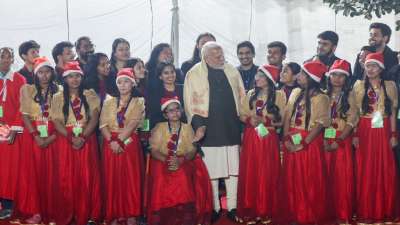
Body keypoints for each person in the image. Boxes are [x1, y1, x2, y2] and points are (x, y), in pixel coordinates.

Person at [184, 41, 245, 222]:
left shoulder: (232, 70)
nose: (221, 57)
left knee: (234, 169)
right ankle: (214, 207)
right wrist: (198, 125)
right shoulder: (194, 73)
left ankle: (233, 206)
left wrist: (244, 123)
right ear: (206, 57)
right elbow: (189, 103)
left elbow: (242, 97)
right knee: (211, 171)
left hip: (231, 127)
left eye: (222, 54)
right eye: (217, 55)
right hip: (208, 130)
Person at [50, 61, 101, 225]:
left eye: (77, 76)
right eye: (70, 76)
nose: (74, 79)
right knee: (66, 177)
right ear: (65, 79)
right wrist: (71, 138)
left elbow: (94, 118)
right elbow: (57, 121)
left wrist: (83, 137)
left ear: (82, 77)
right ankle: (68, 212)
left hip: (87, 139)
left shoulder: (90, 94)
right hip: (66, 140)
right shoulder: (58, 97)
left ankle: (86, 213)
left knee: (87, 176)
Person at [147, 96, 212, 225]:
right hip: (163, 159)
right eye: (170, 111)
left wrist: (181, 160)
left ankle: (184, 213)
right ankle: (164, 213)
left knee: (182, 175)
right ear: (165, 115)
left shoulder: (187, 128)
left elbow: (192, 150)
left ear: (181, 111)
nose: (175, 112)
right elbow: (154, 150)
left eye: (177, 109)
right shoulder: (159, 127)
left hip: (184, 160)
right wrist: (168, 160)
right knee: (161, 175)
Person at [281, 61, 331, 224]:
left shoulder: (322, 97)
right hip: (292, 137)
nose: (298, 76)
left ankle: (308, 213)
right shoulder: (296, 92)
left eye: (302, 74)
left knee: (308, 179)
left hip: (309, 142)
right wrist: (286, 138)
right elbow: (288, 116)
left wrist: (303, 143)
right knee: (292, 178)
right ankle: (295, 212)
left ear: (311, 78)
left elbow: (319, 124)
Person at [352, 52, 399, 224]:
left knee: (385, 168)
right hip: (365, 129)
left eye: (374, 66)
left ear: (381, 68)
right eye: (368, 65)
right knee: (365, 169)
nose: (370, 69)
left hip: (384, 128)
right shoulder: (358, 85)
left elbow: (393, 112)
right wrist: (355, 134)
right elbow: (355, 113)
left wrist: (394, 134)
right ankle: (367, 210)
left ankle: (385, 209)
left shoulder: (390, 85)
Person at [237, 65, 286, 224]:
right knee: (251, 171)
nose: (256, 79)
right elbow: (242, 113)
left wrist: (264, 120)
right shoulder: (250, 93)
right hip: (252, 137)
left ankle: (265, 209)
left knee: (266, 171)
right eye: (257, 76)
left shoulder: (279, 95)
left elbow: (280, 121)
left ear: (270, 80)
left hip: (268, 137)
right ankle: (251, 208)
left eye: (261, 77)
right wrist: (249, 119)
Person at [15, 57, 60, 224]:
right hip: (33, 137)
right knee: (34, 174)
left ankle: (53, 211)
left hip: (54, 136)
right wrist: (36, 135)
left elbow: (64, 118)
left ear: (52, 73)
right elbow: (25, 115)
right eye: (40, 72)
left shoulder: (61, 91)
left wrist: (51, 137)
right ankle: (36, 211)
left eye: (47, 71)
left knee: (53, 175)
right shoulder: (28, 90)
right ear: (35, 74)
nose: (44, 75)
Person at [100, 68, 145, 225]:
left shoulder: (138, 102)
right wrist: (111, 142)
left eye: (126, 81)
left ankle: (131, 213)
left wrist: (118, 141)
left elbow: (133, 123)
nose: (123, 85)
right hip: (110, 143)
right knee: (112, 178)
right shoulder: (109, 101)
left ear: (132, 84)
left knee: (130, 178)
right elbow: (103, 124)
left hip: (128, 142)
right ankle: (114, 212)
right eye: (120, 82)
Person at [323, 59, 357, 224]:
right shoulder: (323, 94)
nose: (337, 79)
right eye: (334, 75)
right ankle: (326, 212)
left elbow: (352, 120)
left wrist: (340, 139)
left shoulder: (350, 95)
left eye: (341, 76)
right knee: (325, 175)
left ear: (346, 78)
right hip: (324, 138)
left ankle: (343, 214)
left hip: (342, 137)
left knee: (342, 177)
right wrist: (323, 138)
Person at [0, 47, 26, 220]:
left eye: (9, 57)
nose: (5, 59)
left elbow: (23, 106)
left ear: (13, 60)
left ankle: (8, 204)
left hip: (11, 131)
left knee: (9, 169)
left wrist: (15, 129)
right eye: (2, 56)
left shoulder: (19, 79)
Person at [147, 62, 185, 129]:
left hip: (182, 126)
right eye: (166, 73)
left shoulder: (183, 89)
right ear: (160, 76)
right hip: (160, 128)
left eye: (172, 72)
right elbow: (153, 114)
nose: (170, 75)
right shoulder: (155, 92)